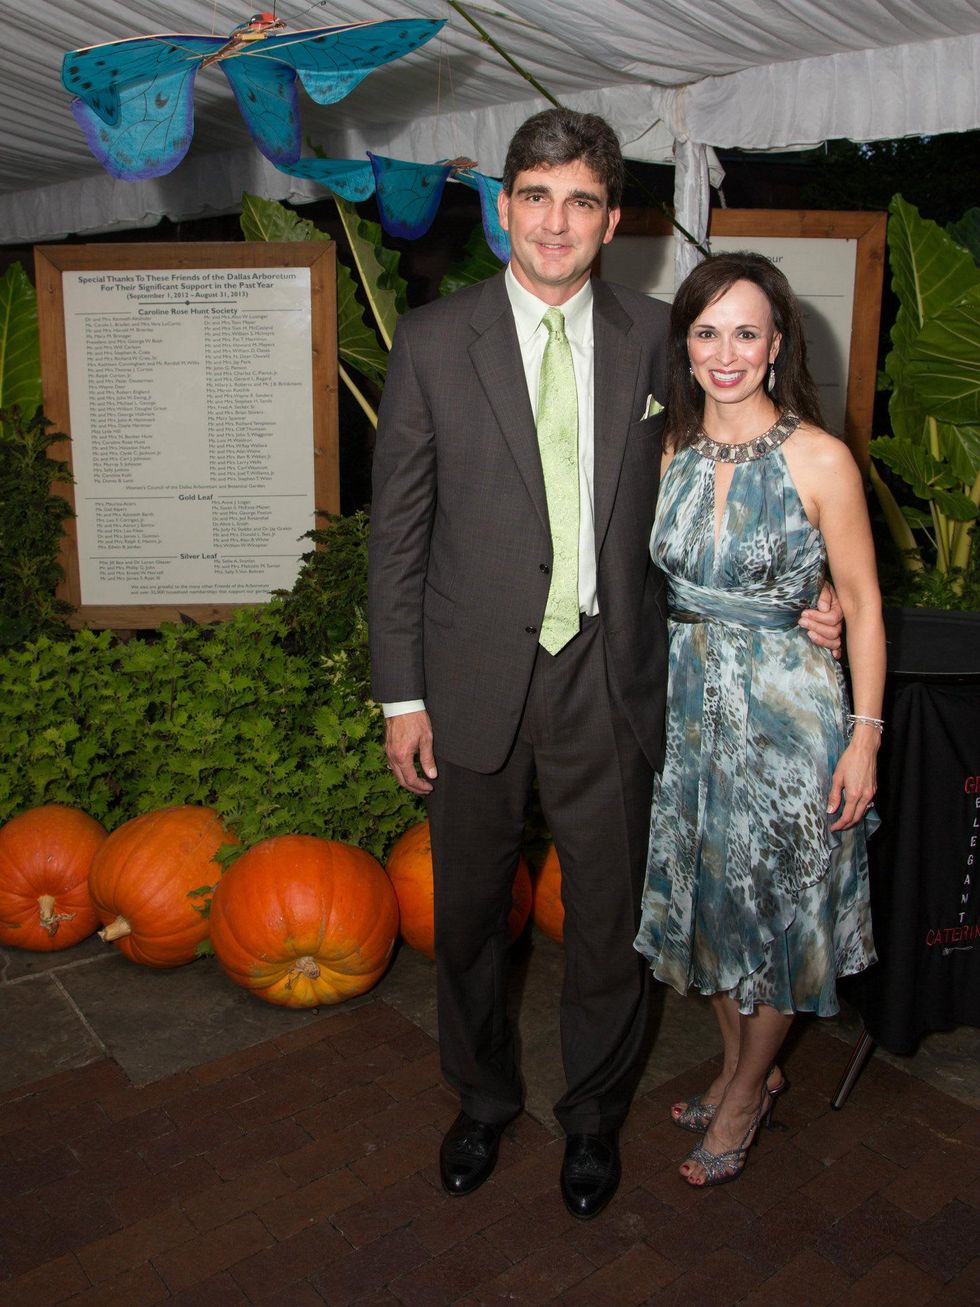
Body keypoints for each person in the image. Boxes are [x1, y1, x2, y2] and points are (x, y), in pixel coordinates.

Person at [368, 110, 841, 1220]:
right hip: (471, 680)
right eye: (534, 196)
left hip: (612, 675)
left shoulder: (654, 337)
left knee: (607, 922)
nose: (555, 221)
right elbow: (396, 533)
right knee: (472, 915)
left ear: (611, 220)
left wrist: (803, 592)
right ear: (502, 208)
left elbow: (737, 462)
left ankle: (590, 1116)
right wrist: (401, 693)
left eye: (580, 200)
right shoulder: (434, 342)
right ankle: (481, 1099)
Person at [633, 251, 885, 1188]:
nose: (725, 351)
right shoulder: (666, 449)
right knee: (709, 907)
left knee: (778, 916)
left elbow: (860, 600)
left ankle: (742, 1094)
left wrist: (865, 734)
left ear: (778, 344)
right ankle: (752, 1064)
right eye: (707, 331)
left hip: (792, 722)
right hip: (688, 715)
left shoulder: (819, 457)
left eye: (746, 331)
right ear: (686, 345)